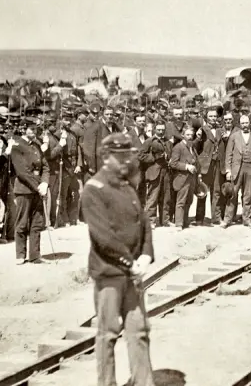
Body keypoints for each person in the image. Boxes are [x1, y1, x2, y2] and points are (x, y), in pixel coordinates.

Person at [80, 133, 155, 386]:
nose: (125, 161)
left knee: (139, 332)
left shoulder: (126, 185)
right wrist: (130, 263)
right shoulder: (93, 189)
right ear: (105, 158)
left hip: (132, 273)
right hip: (110, 273)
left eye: (127, 155)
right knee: (108, 334)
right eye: (119, 156)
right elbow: (103, 236)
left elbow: (143, 222)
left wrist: (146, 254)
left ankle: (144, 382)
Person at [8, 119, 50, 264]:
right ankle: (20, 255)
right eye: (30, 129)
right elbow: (22, 172)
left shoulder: (37, 145)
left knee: (37, 223)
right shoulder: (17, 146)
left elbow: (45, 167)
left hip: (38, 189)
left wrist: (45, 182)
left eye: (35, 129)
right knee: (22, 222)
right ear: (24, 129)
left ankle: (35, 255)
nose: (34, 131)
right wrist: (38, 186)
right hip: (24, 189)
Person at [225, 114, 251, 229]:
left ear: (250, 123)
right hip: (237, 168)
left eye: (247, 123)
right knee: (233, 194)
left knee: (248, 195)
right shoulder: (234, 136)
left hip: (250, 167)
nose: (245, 125)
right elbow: (228, 154)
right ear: (240, 124)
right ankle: (227, 219)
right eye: (243, 123)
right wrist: (228, 170)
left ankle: (247, 219)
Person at [168, 127, 198, 230]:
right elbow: (173, 163)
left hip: (192, 178)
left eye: (191, 135)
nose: (190, 137)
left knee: (189, 201)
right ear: (183, 135)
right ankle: (179, 224)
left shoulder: (192, 146)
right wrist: (186, 167)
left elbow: (195, 160)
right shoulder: (178, 147)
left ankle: (185, 221)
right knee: (181, 201)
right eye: (188, 135)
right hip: (182, 178)